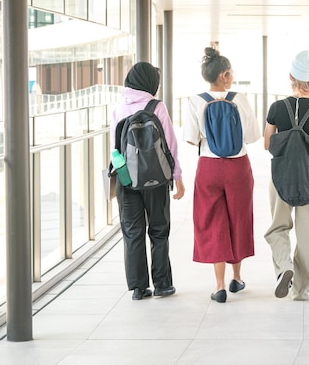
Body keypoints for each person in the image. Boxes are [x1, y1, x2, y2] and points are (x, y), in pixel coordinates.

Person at [183, 47, 261, 303]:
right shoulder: (241, 99)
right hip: (238, 166)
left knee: (213, 221)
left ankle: (218, 285)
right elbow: (251, 137)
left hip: (209, 167)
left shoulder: (196, 100)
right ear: (225, 75)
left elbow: (192, 140)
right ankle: (236, 278)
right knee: (238, 217)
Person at [263, 50, 309, 301]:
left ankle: (285, 267)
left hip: (280, 174)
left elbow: (266, 144)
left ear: (290, 77)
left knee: (277, 226)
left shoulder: (276, 108)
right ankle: (301, 289)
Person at [110, 62, 185, 301]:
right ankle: (162, 284)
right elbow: (170, 144)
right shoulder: (157, 106)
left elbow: (114, 148)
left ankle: (138, 288)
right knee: (159, 231)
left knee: (133, 232)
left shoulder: (118, 108)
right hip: (156, 178)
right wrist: (178, 177)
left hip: (126, 179)